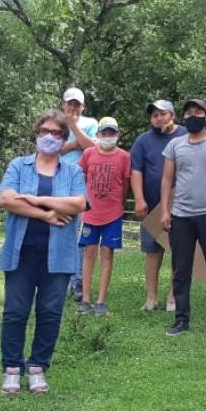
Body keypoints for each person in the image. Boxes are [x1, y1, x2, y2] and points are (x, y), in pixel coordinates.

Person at [0, 111, 87, 395]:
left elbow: (78, 204)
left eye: (56, 133)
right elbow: (6, 198)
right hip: (21, 252)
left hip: (58, 254)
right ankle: (12, 368)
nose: (49, 137)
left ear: (63, 138)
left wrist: (37, 199)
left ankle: (37, 366)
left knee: (50, 312)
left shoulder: (72, 171)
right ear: (36, 134)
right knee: (15, 311)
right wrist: (45, 215)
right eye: (45, 131)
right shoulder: (19, 166)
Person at [159, 99, 206, 338]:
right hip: (181, 216)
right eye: (189, 112)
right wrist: (164, 211)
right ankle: (181, 320)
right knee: (180, 270)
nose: (194, 116)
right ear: (183, 117)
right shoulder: (175, 145)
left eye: (198, 112)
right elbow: (166, 179)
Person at [129, 100, 187, 311]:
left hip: (181, 204)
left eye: (162, 113)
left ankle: (173, 297)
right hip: (151, 206)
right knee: (153, 252)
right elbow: (136, 170)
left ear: (172, 114)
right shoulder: (143, 140)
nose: (158, 118)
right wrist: (139, 198)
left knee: (178, 251)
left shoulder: (187, 135)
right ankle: (151, 298)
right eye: (154, 115)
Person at [77, 116, 131, 315]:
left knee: (107, 254)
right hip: (91, 213)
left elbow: (125, 185)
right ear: (98, 135)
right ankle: (85, 299)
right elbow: (79, 176)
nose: (108, 137)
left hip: (113, 214)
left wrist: (119, 203)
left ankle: (100, 301)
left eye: (112, 133)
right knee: (89, 253)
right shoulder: (88, 154)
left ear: (117, 134)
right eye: (104, 133)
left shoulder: (124, 156)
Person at [57, 87, 97, 301]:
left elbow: (93, 148)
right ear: (63, 104)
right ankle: (56, 281)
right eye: (69, 103)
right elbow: (51, 149)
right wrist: (77, 143)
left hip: (81, 182)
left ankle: (78, 282)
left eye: (77, 104)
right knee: (56, 230)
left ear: (83, 106)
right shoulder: (54, 122)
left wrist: (73, 129)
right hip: (55, 181)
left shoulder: (91, 123)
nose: (73, 107)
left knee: (79, 234)